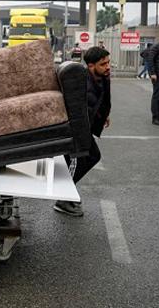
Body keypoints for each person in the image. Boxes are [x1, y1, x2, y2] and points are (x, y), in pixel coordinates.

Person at [54, 46, 111, 217]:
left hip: (85, 127)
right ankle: (63, 198)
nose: (108, 66)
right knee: (80, 160)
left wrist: (104, 115)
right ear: (91, 66)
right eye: (103, 64)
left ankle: (65, 194)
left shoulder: (102, 77)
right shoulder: (83, 84)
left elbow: (101, 100)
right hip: (76, 130)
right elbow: (78, 110)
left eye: (108, 62)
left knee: (91, 157)